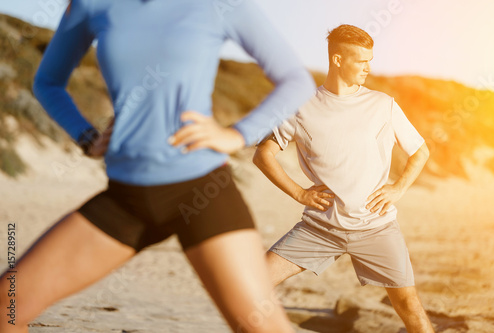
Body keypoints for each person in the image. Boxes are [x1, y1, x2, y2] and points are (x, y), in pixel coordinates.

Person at [0, 0, 316, 332]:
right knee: (8, 305)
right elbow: (47, 82)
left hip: (201, 191)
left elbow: (296, 80)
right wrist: (85, 135)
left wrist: (237, 135)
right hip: (126, 199)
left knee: (261, 328)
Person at [253, 24, 435, 332]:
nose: (368, 67)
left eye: (370, 59)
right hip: (320, 228)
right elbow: (263, 155)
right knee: (252, 285)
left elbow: (420, 152)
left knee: (408, 305)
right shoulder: (300, 107)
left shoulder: (383, 105)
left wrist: (398, 188)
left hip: (376, 227)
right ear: (337, 60)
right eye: (361, 61)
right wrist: (299, 193)